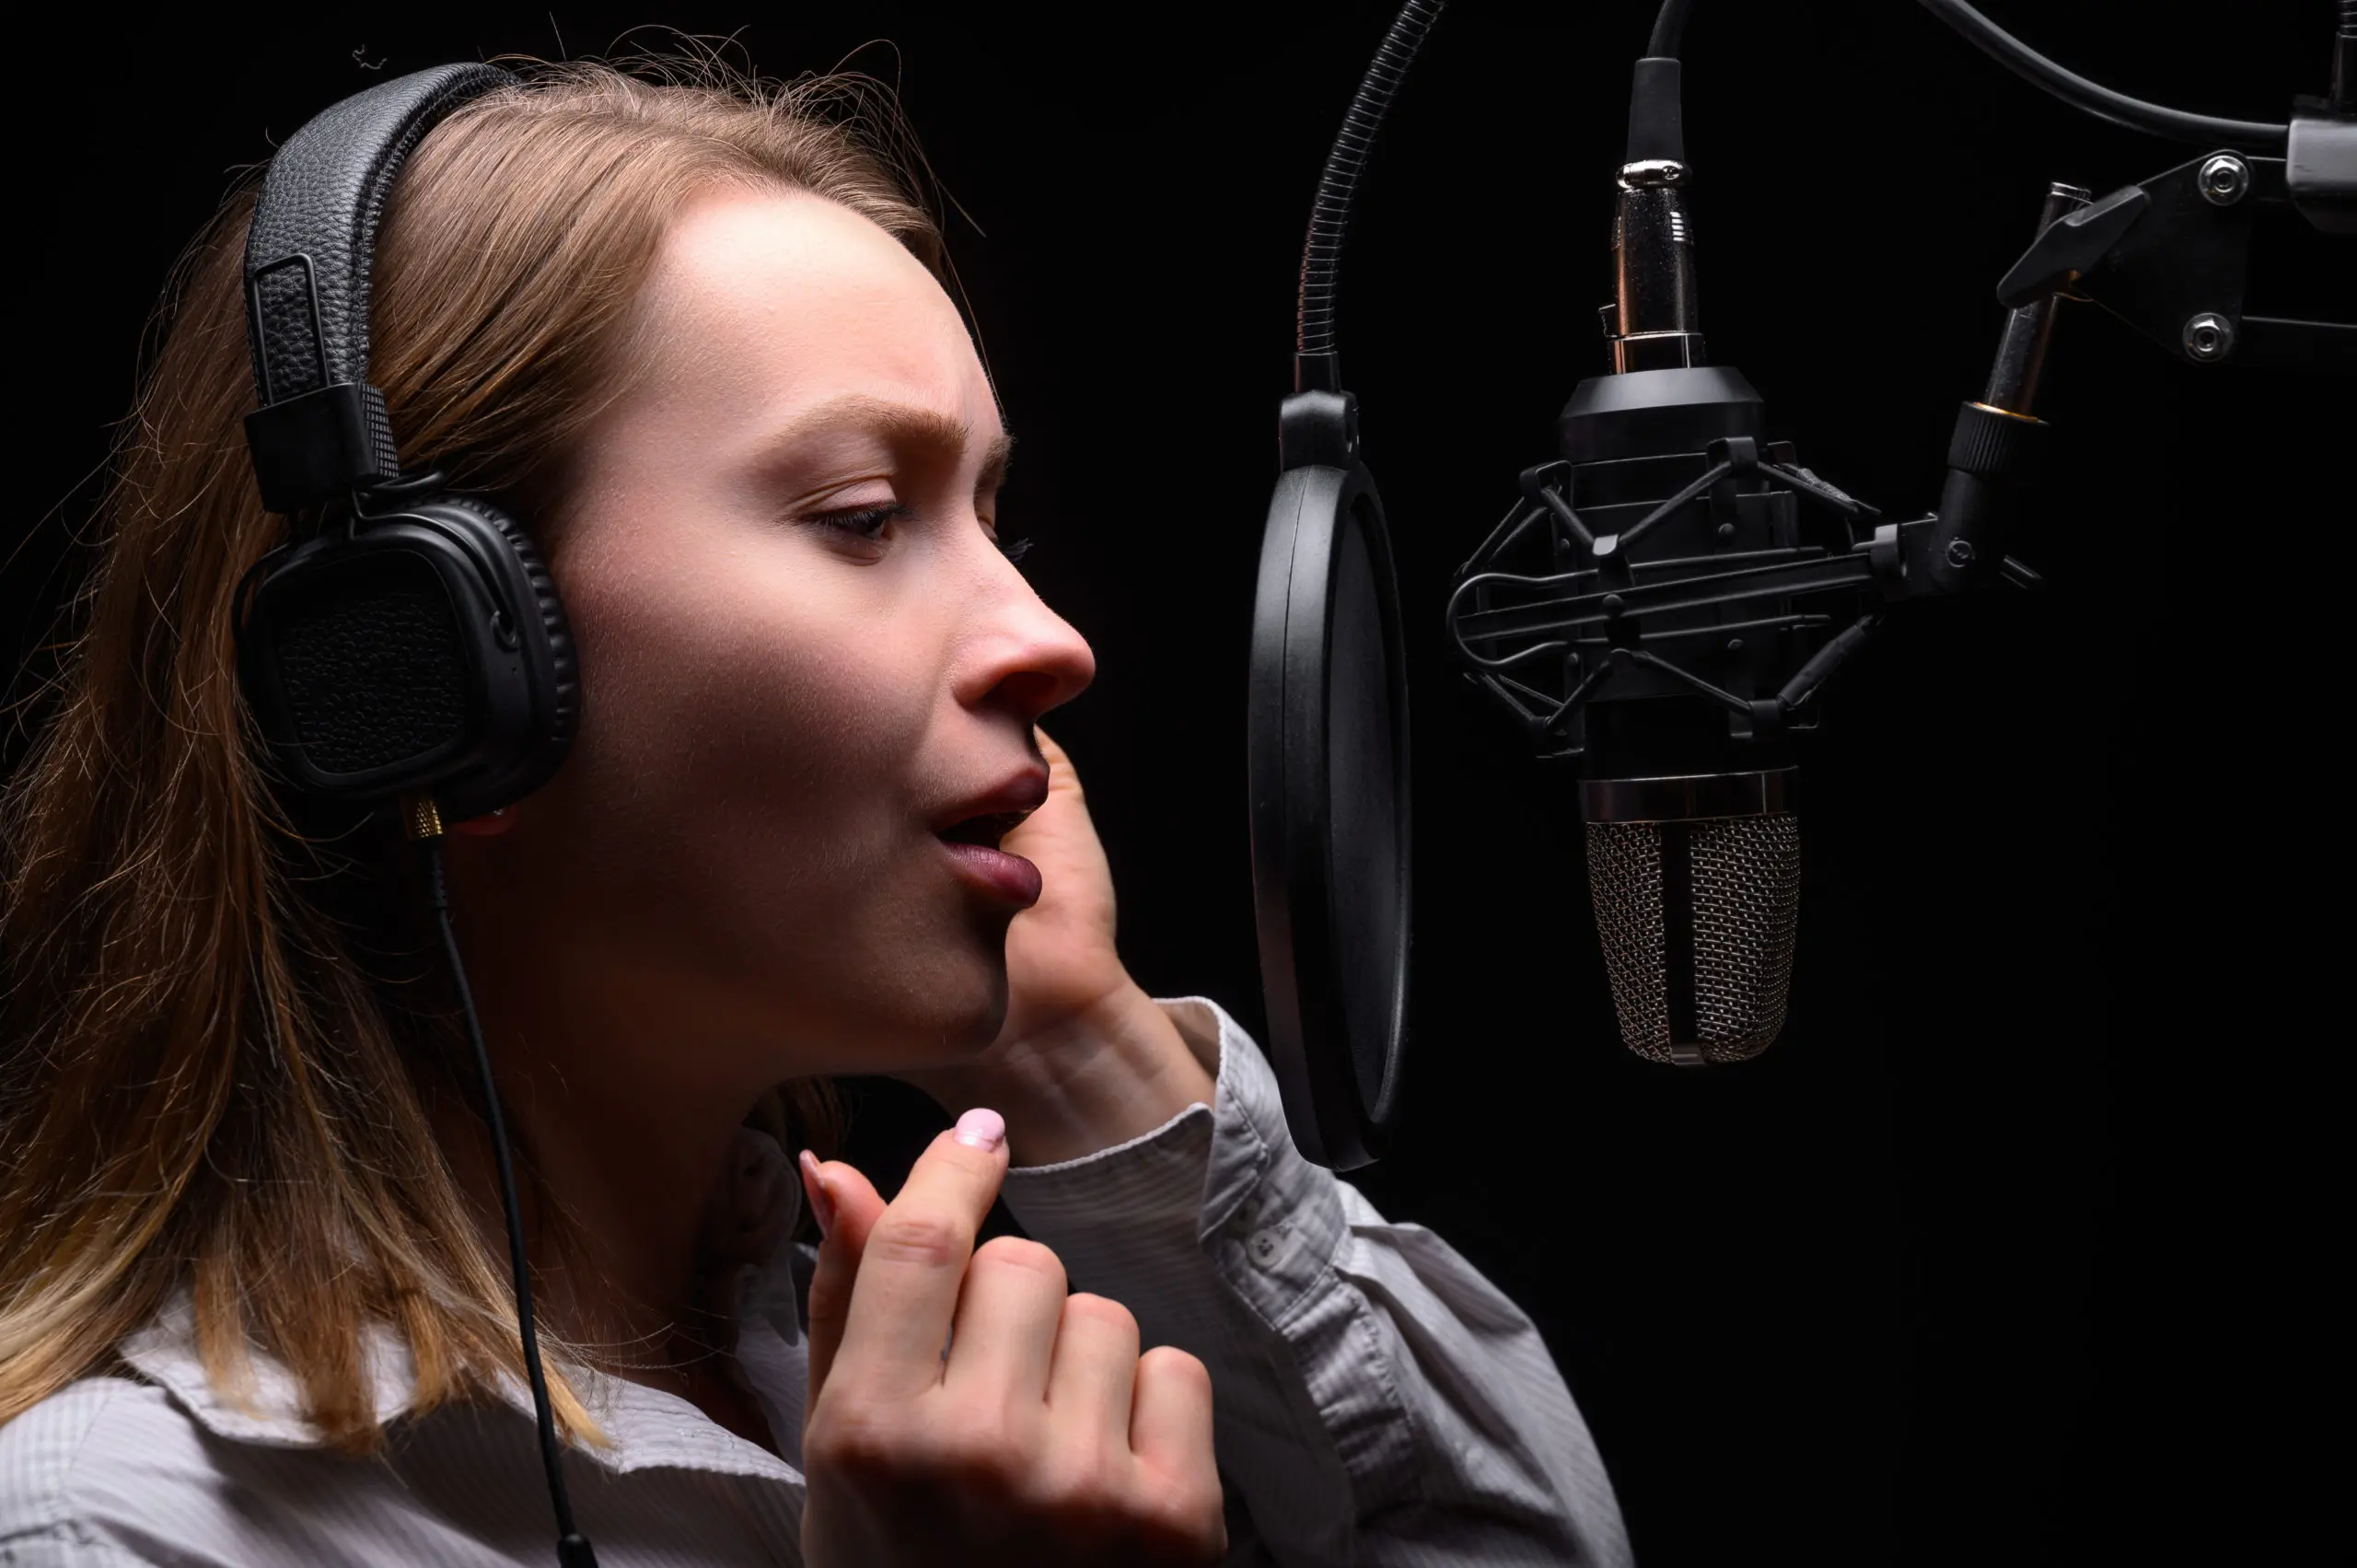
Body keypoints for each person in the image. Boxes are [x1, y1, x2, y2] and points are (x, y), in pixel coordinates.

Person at [0, 56, 1631, 1567]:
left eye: (995, 516)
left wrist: (1078, 1049)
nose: (1052, 642)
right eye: (865, 515)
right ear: (419, 669)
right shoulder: (122, 1533)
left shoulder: (890, 1372)